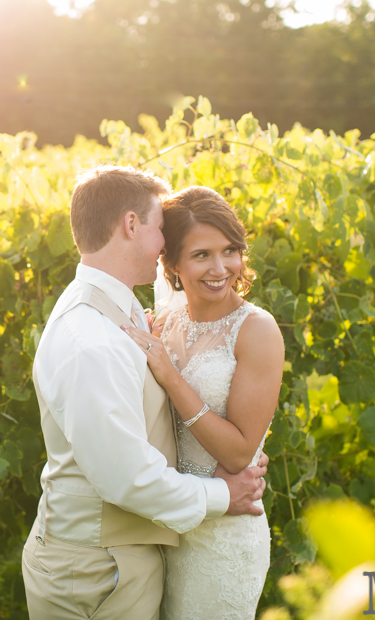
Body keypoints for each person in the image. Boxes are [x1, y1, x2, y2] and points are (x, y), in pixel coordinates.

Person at [22, 167, 269, 620]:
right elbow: (127, 478)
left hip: (129, 555)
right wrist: (222, 495)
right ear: (131, 225)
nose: (163, 244)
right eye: (159, 227)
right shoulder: (92, 339)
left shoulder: (123, 310)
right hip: (97, 569)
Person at [122, 185, 284, 620]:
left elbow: (238, 453)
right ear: (171, 262)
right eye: (201, 255)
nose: (220, 268)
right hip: (170, 523)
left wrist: (171, 378)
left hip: (225, 538)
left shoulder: (257, 330)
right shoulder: (166, 320)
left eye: (230, 250)